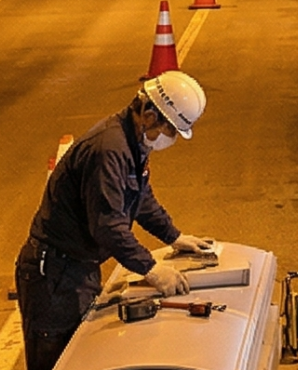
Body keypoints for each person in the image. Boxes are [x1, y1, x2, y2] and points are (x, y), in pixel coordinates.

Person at [14, 71, 213, 368]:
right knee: (57, 362)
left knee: (82, 358)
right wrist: (151, 269)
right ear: (148, 114)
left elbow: (140, 197)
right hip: (55, 276)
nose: (169, 138)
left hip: (77, 270)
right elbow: (107, 226)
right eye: (170, 130)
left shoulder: (133, 144)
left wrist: (173, 236)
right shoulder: (109, 150)